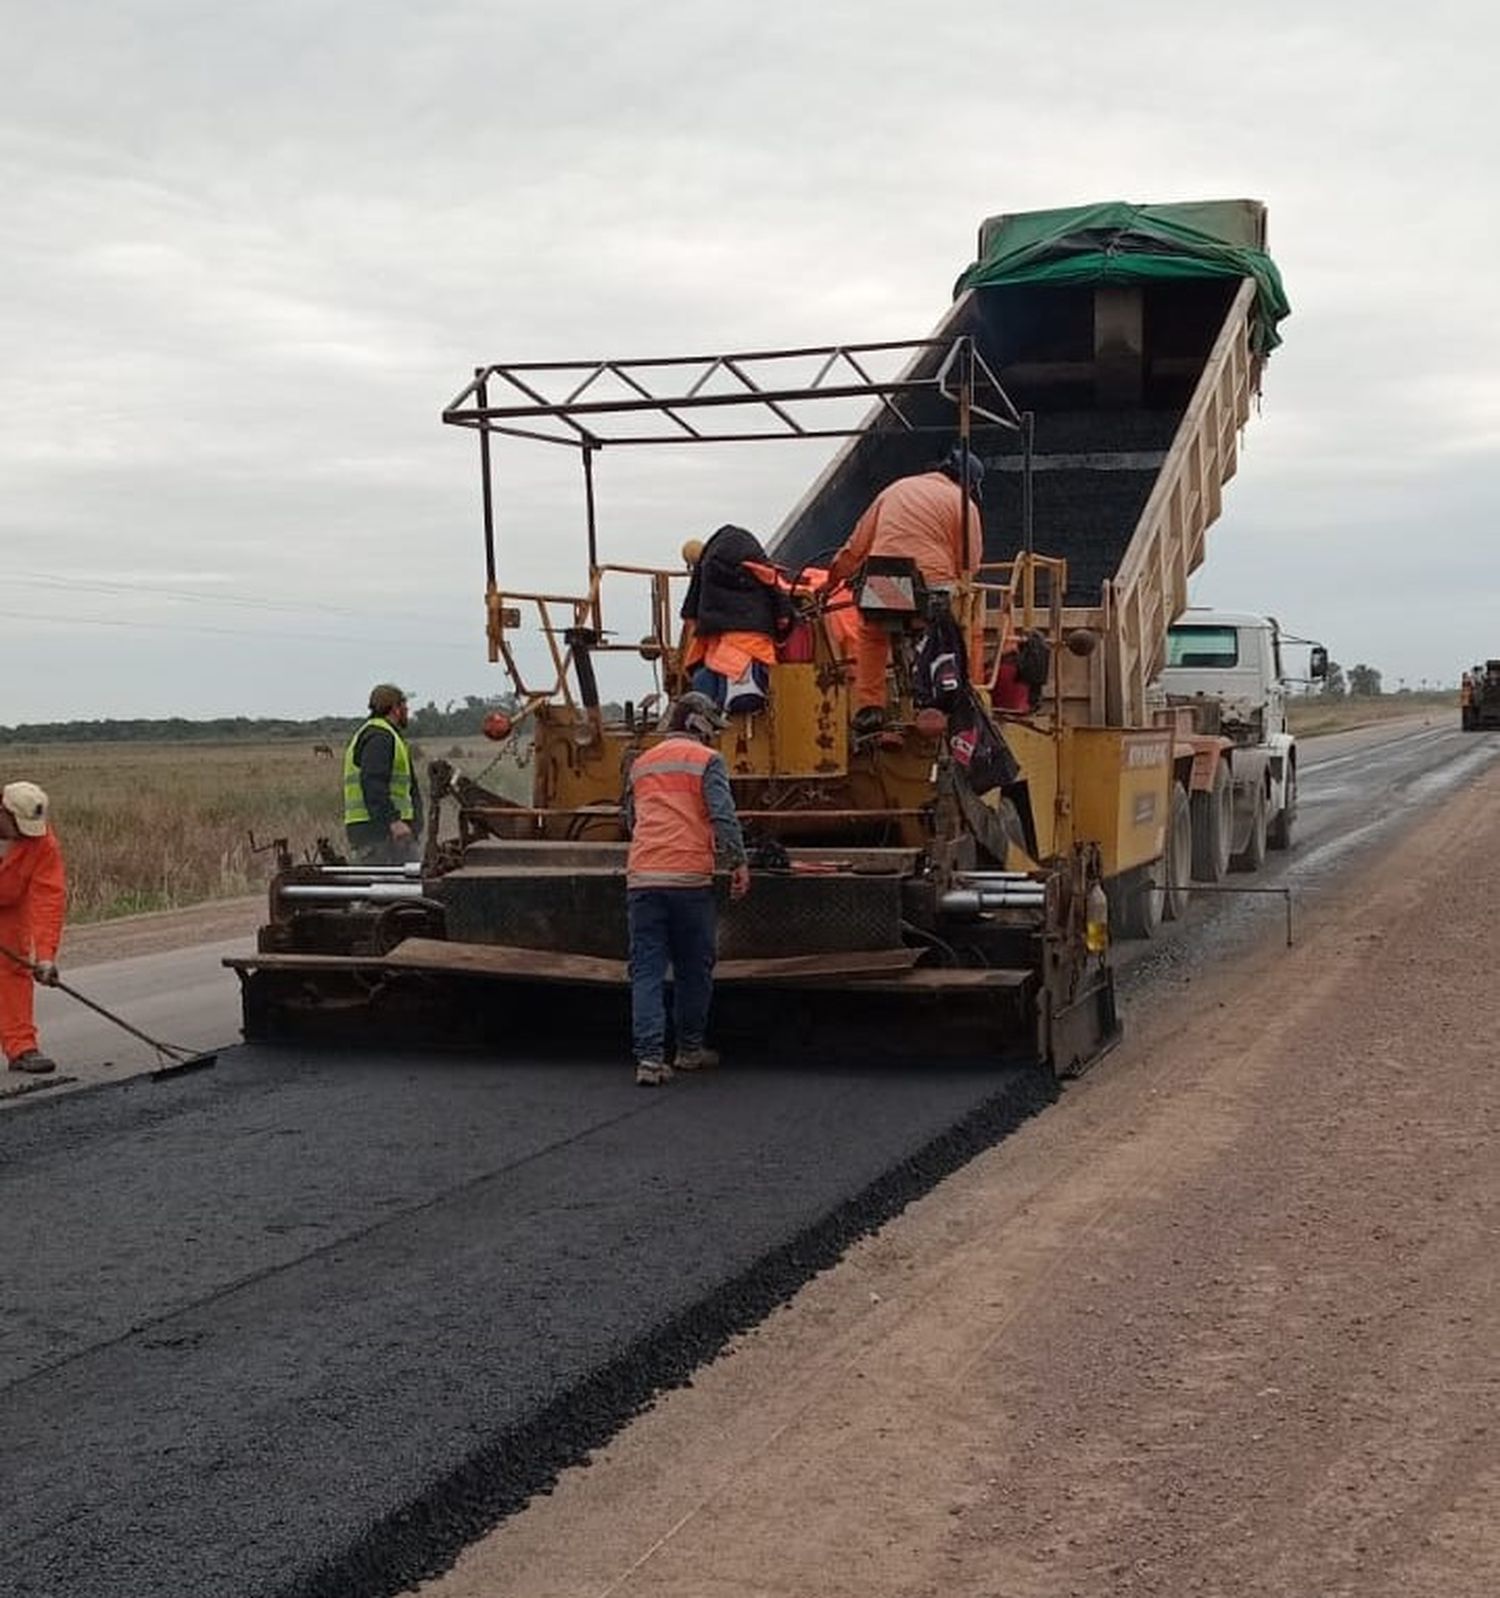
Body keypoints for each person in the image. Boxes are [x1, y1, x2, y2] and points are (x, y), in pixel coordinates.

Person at [623, 692, 750, 1087]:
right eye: (713, 728)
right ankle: (690, 1051)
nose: (714, 736)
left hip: (643, 878)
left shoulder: (641, 763)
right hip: (688, 881)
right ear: (699, 725)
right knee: (694, 968)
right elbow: (722, 815)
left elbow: (630, 819)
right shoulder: (706, 761)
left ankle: (648, 1060)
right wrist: (738, 862)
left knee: (646, 971)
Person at [827, 444, 986, 732]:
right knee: (963, 627)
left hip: (885, 583)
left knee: (872, 633)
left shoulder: (895, 489)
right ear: (969, 483)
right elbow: (970, 565)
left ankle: (870, 707)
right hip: (932, 587)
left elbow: (856, 546)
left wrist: (833, 580)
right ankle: (960, 695)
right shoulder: (964, 503)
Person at [0, 782, 66, 1075]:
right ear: (4, 812)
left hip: (9, 906)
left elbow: (48, 898)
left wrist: (46, 957)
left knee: (13, 971)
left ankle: (21, 1048)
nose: (28, 834)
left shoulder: (42, 842)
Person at [343, 683, 423, 864]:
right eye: (405, 705)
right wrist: (393, 821)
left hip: (384, 833)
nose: (407, 709)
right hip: (382, 835)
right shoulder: (380, 737)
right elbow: (373, 782)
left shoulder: (380, 734)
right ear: (395, 708)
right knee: (398, 889)